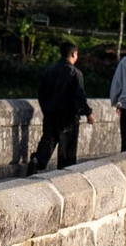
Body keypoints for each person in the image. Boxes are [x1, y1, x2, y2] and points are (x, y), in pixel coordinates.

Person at [30, 42, 93, 174]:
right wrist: (88, 113)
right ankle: (63, 176)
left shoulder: (50, 70)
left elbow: (41, 92)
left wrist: (46, 108)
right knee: (67, 151)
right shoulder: (75, 73)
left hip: (50, 114)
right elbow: (79, 96)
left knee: (48, 141)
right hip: (68, 117)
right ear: (73, 54)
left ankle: (37, 161)